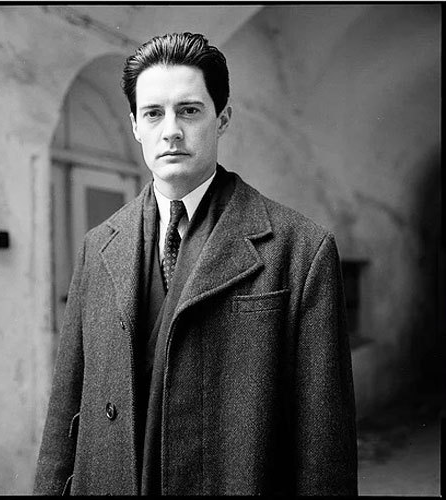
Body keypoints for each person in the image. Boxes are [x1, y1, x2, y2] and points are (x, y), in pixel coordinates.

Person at [34, 32, 358, 496]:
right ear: (134, 126)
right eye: (153, 113)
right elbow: (66, 406)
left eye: (189, 110)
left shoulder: (301, 249)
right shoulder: (97, 246)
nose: (171, 130)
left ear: (221, 118)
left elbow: (325, 445)